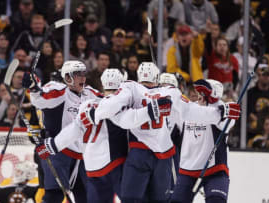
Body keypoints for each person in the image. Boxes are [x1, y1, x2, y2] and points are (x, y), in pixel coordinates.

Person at [85, 62, 240, 202]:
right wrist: (219, 113)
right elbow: (190, 111)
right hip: (164, 155)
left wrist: (96, 114)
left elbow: (120, 115)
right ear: (157, 77)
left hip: (139, 152)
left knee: (131, 199)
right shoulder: (169, 91)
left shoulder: (130, 87)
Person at [35, 69, 131, 202]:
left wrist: (52, 145)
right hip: (115, 163)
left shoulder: (88, 104)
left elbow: (75, 129)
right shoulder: (125, 103)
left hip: (92, 165)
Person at [23, 60, 102, 203]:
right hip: (57, 152)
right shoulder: (59, 92)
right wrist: (34, 87)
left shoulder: (90, 93)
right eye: (78, 74)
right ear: (67, 77)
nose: (82, 78)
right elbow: (40, 98)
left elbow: (109, 103)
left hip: (83, 155)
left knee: (86, 196)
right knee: (54, 196)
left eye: (84, 74)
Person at [171, 79, 240, 203]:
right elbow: (188, 114)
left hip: (215, 170)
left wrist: (224, 111)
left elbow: (228, 123)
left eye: (202, 93)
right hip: (188, 169)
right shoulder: (193, 110)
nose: (198, 97)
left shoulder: (221, 109)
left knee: (216, 200)